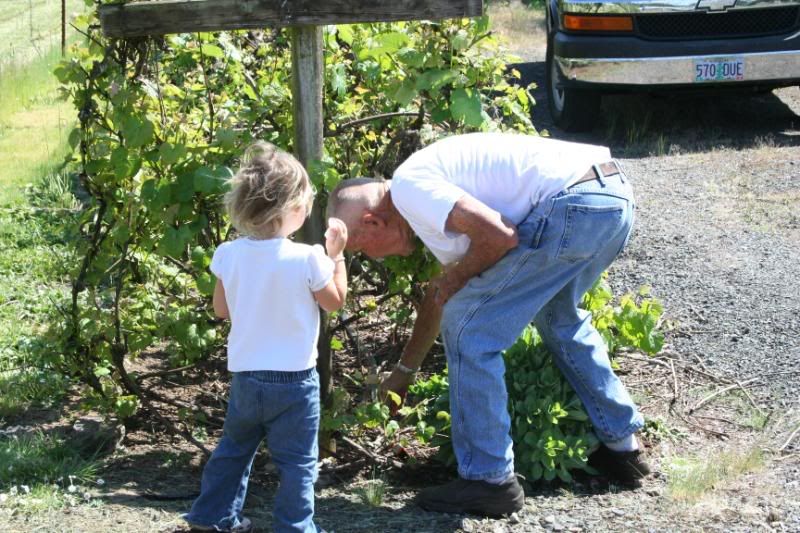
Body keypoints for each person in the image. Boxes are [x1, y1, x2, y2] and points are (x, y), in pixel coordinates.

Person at [327, 132, 650, 517]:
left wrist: (457, 280)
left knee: (472, 332)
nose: (372, 258)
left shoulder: (411, 187)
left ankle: (488, 480)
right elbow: (442, 292)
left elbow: (499, 237)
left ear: (372, 221)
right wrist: (405, 371)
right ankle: (623, 449)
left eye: (360, 249)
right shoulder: (425, 197)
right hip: (610, 197)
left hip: (574, 204)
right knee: (558, 317)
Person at [184, 141, 347, 533]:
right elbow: (334, 302)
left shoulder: (228, 253)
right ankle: (295, 527)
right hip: (294, 382)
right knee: (297, 462)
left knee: (233, 451)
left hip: (247, 378)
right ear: (293, 210)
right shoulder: (309, 257)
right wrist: (337, 256)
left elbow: (221, 310)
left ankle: (210, 517)